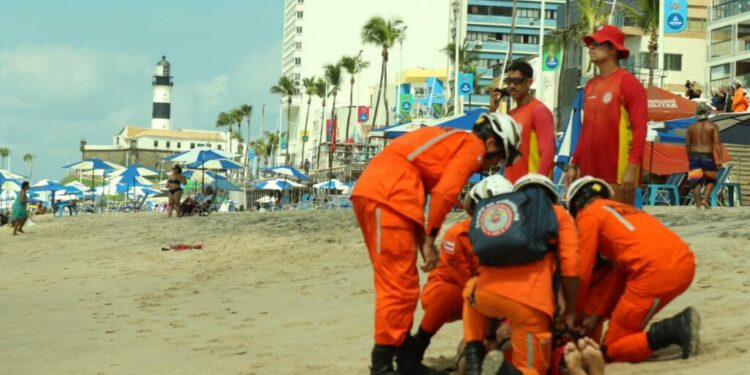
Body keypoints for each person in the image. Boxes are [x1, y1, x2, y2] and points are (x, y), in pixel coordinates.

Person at [351, 112, 523, 375]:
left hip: (390, 195)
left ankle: (405, 361)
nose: (494, 165)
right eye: (499, 157)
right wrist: (431, 238)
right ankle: (383, 366)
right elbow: (445, 192)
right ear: (492, 144)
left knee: (403, 286)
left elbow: (421, 186)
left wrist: (424, 242)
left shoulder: (453, 141)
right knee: (397, 287)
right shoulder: (472, 146)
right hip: (388, 196)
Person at [565, 176, 699, 364]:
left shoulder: (588, 215)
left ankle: (673, 328)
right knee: (625, 333)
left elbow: (582, 273)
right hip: (682, 262)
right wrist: (597, 317)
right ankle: (667, 330)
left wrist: (574, 313)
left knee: (612, 348)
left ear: (576, 205)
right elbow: (619, 275)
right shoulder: (628, 212)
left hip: (655, 273)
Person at [462, 173, 580, 375]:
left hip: (482, 295)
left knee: (472, 287)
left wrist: (489, 335)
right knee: (532, 368)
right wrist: (570, 311)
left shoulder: (506, 213)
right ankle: (504, 372)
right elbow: (571, 266)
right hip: (530, 302)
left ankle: (474, 355)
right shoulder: (558, 214)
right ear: (552, 196)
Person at [413, 178, 506, 367]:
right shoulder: (457, 236)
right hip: (462, 297)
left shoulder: (512, 240)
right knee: (454, 293)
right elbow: (466, 283)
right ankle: (418, 345)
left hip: (492, 302)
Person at [567, 25, 647, 206]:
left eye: (597, 43)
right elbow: (586, 129)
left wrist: (632, 167)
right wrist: (574, 163)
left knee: (618, 227)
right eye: (590, 43)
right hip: (589, 172)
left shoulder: (628, 82)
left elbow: (640, 128)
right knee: (591, 226)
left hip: (617, 172)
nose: (591, 47)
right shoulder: (591, 86)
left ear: (613, 48)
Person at [501, 61, 556, 183]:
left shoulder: (539, 111)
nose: (511, 86)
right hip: (512, 187)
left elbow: (548, 152)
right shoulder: (511, 114)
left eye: (517, 81)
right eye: (508, 81)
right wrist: (493, 110)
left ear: (529, 82)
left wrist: (538, 184)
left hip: (531, 186)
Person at [685, 103, 724, 209]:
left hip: (694, 155)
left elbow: (687, 145)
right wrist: (720, 158)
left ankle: (698, 204)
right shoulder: (712, 126)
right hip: (707, 156)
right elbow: (716, 143)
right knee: (711, 179)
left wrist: (689, 157)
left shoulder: (691, 127)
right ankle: (705, 200)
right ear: (708, 113)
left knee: (695, 180)